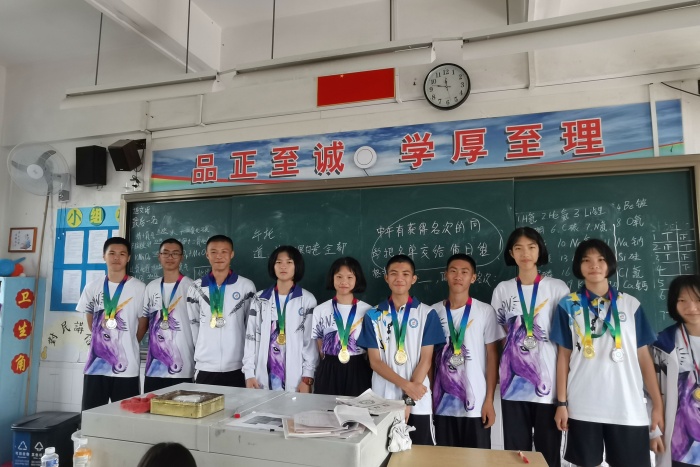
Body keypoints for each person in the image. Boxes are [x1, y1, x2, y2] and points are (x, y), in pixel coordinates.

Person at [550, 238, 663, 467]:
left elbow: (644, 357)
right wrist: (561, 403)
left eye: (601, 259)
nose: (594, 265)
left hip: (627, 406)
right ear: (578, 266)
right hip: (583, 406)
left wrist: (658, 404)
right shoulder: (568, 305)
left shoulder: (630, 304)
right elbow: (563, 357)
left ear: (610, 264)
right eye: (587, 260)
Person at [490, 227, 570, 466]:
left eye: (531, 247)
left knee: (548, 454)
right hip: (512, 388)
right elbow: (499, 335)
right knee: (516, 454)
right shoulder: (502, 289)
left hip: (549, 384)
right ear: (511, 253)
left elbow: (565, 341)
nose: (525, 253)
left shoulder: (558, 288)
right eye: (518, 248)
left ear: (539, 250)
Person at [357, 254, 444, 446]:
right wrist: (407, 387)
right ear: (386, 278)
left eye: (405, 274)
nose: (399, 278)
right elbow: (375, 362)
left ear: (413, 279)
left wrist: (408, 400)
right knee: (382, 454)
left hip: (418, 399)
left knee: (421, 454)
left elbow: (426, 360)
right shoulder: (373, 315)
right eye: (394, 273)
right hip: (383, 399)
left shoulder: (427, 314)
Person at [432, 254, 504, 448]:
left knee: (477, 459)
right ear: (446, 275)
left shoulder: (485, 311)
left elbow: (492, 357)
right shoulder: (432, 312)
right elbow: (428, 359)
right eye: (453, 271)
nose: (458, 276)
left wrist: (489, 401)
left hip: (476, 405)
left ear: (473, 278)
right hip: (441, 406)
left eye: (464, 272)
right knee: (444, 460)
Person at [78, 237, 146, 411]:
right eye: (112, 253)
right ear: (104, 256)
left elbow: (143, 323)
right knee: (92, 415)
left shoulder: (139, 288)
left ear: (128, 258)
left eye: (122, 254)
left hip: (127, 367)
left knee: (126, 416)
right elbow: (91, 322)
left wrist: (127, 341)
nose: (117, 257)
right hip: (95, 369)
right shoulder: (92, 287)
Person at [243, 246, 318, 392]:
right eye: (278, 262)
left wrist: (307, 377)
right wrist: (249, 373)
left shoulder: (307, 300)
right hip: (261, 379)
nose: (283, 266)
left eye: (289, 262)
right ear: (273, 266)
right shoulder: (259, 299)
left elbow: (310, 343)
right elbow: (250, 338)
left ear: (297, 266)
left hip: (297, 380)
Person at [186, 235, 256, 387]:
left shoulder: (246, 286)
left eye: (224, 251)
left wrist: (248, 361)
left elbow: (250, 325)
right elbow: (194, 325)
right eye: (214, 252)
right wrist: (202, 352)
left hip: (238, 365)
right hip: (205, 365)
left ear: (232, 254)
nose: (219, 256)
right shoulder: (195, 287)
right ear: (207, 255)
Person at [650, 275, 700, 467]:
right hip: (680, 450)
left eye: (697, 300)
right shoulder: (662, 344)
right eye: (682, 300)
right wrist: (654, 431)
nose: (691, 307)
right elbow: (648, 393)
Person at [139, 238, 195, 393]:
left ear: (182, 257)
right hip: (154, 370)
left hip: (184, 366)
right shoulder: (151, 287)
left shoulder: (192, 287)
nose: (170, 257)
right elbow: (144, 321)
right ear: (159, 256)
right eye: (166, 253)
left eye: (175, 253)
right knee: (152, 406)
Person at [312, 257, 373, 396]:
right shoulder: (320, 310)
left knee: (357, 408)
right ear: (332, 278)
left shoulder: (368, 311)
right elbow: (319, 343)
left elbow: (370, 346)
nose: (344, 281)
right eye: (339, 276)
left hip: (358, 367)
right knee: (326, 407)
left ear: (357, 279)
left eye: (349, 277)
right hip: (329, 367)